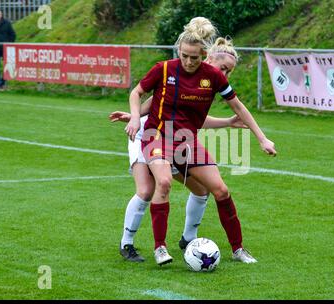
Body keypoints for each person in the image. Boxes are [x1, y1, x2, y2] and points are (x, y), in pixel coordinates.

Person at [126, 17, 277, 266]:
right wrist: (134, 117)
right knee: (162, 182)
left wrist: (262, 138)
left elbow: (238, 107)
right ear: (179, 51)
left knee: (221, 190)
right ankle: (160, 248)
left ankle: (238, 249)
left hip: (187, 142)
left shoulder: (214, 77)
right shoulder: (164, 69)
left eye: (194, 57)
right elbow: (138, 93)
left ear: (203, 54)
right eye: (184, 55)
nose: (188, 61)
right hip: (157, 135)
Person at [110, 36, 247, 263]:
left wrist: (227, 122)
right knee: (147, 190)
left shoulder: (209, 81)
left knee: (202, 190)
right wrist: (134, 116)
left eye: (229, 72)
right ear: (208, 57)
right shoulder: (176, 72)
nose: (225, 75)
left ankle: (188, 239)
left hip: (178, 140)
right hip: (149, 133)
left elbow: (193, 120)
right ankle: (128, 243)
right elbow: (152, 102)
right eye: (223, 68)